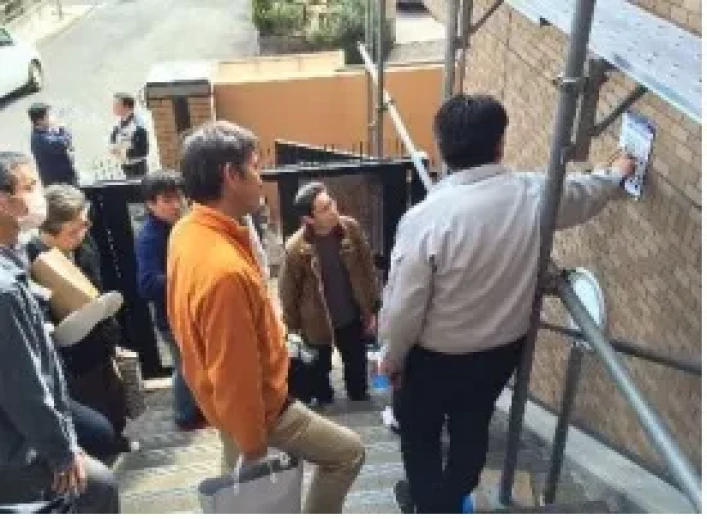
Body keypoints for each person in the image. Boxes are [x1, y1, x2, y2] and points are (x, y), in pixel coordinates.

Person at [378, 94, 637, 513]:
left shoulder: (424, 219)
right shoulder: (533, 194)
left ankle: (429, 503)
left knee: (420, 434)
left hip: (435, 360)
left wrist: (391, 357)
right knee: (472, 427)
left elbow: (403, 306)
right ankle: (451, 494)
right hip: (499, 353)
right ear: (500, 144)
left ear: (441, 146)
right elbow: (584, 193)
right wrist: (617, 173)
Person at [167, 121, 365, 513]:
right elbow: (234, 372)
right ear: (230, 174)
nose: (262, 179)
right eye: (255, 167)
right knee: (348, 453)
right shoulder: (224, 272)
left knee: (238, 492)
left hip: (221, 404)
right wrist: (254, 446)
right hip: (261, 409)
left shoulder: (187, 230)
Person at [0, 151, 119, 513]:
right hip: (18, 449)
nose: (40, 196)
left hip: (23, 436)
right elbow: (23, 385)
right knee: (97, 487)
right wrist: (62, 452)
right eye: (30, 186)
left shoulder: (14, 259)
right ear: (4, 202)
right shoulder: (5, 290)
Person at [25, 184, 131, 440]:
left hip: (102, 343)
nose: (83, 233)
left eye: (85, 224)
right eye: (74, 230)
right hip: (74, 358)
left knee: (116, 404)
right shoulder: (31, 261)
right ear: (49, 230)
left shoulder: (85, 246)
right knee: (95, 420)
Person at [279, 182, 380, 404]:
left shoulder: (350, 229)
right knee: (320, 385)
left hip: (350, 315)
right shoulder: (296, 248)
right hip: (316, 324)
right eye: (325, 208)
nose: (333, 210)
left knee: (358, 377)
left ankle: (358, 399)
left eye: (331, 203)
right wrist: (293, 329)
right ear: (309, 219)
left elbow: (367, 269)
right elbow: (288, 291)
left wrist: (371, 309)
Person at [135, 170, 204, 430]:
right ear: (150, 204)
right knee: (185, 367)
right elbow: (146, 285)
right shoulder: (150, 237)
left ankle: (194, 409)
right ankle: (185, 416)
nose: (176, 205)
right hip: (171, 318)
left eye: (179, 197)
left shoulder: (179, 226)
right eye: (167, 200)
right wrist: (186, 276)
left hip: (187, 312)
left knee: (191, 364)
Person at [28, 103, 77, 187]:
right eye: (48, 116)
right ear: (40, 121)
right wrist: (62, 129)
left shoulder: (43, 132)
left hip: (60, 178)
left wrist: (56, 129)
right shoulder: (41, 139)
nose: (51, 118)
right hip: (60, 183)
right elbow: (64, 142)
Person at [110, 92, 149, 178]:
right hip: (124, 164)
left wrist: (123, 152)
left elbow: (144, 151)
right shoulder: (118, 123)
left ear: (126, 107)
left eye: (116, 105)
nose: (113, 107)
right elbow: (113, 139)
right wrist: (113, 148)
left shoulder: (138, 126)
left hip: (137, 167)